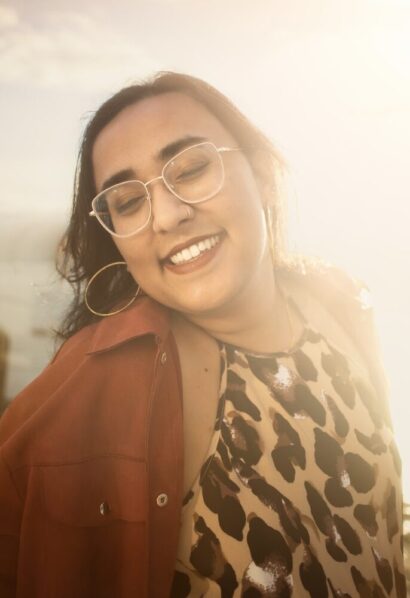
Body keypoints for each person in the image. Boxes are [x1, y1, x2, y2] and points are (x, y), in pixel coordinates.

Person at [0, 72, 405, 598]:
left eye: (190, 169)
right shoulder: (99, 385)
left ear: (260, 174)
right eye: (126, 202)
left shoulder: (342, 301)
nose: (166, 216)